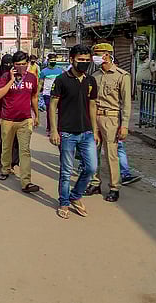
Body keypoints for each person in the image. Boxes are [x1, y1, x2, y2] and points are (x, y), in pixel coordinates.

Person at [49, 44, 99, 219]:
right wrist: (54, 131)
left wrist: (95, 130)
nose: (84, 63)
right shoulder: (61, 80)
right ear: (72, 60)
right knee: (66, 171)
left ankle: (75, 196)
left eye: (87, 60)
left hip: (87, 133)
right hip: (67, 133)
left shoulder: (91, 81)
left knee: (91, 168)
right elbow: (53, 104)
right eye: (80, 60)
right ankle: (63, 202)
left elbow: (92, 106)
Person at [81, 43, 132, 202]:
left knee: (111, 155)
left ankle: (114, 187)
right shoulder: (94, 76)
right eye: (94, 53)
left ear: (108, 55)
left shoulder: (122, 76)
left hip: (112, 118)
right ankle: (95, 183)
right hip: (94, 118)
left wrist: (124, 125)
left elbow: (126, 104)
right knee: (92, 153)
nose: (95, 57)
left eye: (98, 53)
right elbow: (90, 100)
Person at [0, 51, 41, 193]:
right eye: (18, 64)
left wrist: (36, 116)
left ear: (28, 64)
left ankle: (26, 182)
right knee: (6, 147)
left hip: (25, 119)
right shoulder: (5, 76)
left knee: (24, 150)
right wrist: (11, 81)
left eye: (24, 64)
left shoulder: (32, 78)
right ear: (13, 65)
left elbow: (34, 97)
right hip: (8, 119)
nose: (21, 67)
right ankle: (5, 169)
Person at [38, 54, 64, 131]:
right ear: (48, 61)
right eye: (51, 60)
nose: (53, 62)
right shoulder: (44, 72)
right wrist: (36, 94)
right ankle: (50, 128)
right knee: (50, 111)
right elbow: (40, 83)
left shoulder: (60, 71)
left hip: (59, 94)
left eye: (54, 60)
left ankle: (59, 128)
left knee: (61, 112)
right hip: (47, 94)